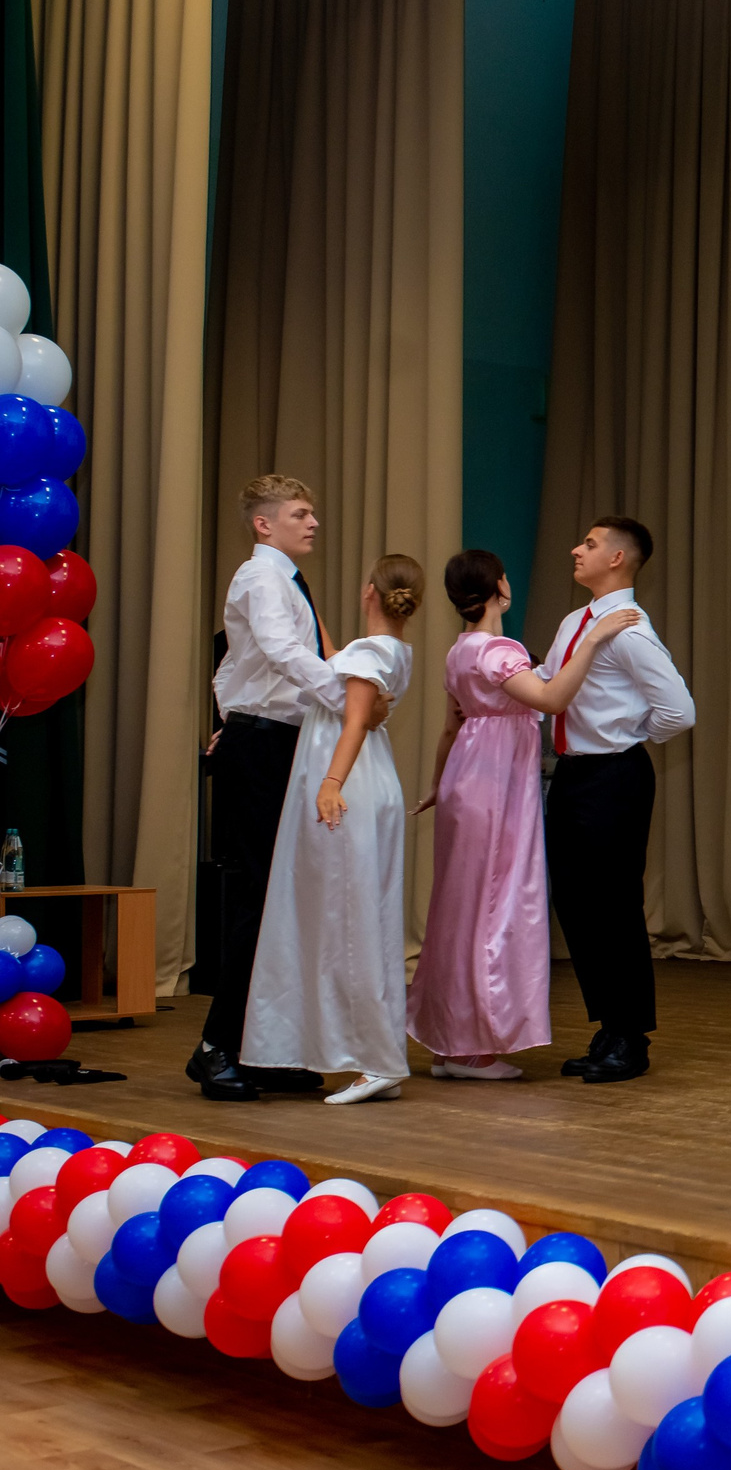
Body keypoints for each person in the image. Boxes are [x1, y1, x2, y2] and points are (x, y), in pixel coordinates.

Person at [408, 551, 640, 1080]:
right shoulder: (497, 650)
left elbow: (449, 730)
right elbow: (554, 698)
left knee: (463, 909)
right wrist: (595, 638)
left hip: (469, 776)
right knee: (496, 908)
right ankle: (477, 1049)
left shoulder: (459, 650)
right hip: (495, 786)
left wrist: (439, 785)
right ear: (499, 588)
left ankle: (452, 1044)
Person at [240, 555, 421, 1105]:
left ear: (370, 591)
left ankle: (377, 1061)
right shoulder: (391, 650)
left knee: (351, 922)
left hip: (350, 785)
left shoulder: (371, 654)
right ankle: (368, 1056)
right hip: (370, 783)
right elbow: (331, 657)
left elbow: (355, 719)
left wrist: (330, 782)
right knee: (355, 916)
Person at [195, 474, 349, 1103]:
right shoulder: (261, 579)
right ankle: (216, 1048)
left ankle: (262, 1048)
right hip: (259, 746)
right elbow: (283, 652)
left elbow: (239, 666)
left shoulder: (286, 581)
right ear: (264, 523)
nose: (313, 523)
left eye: (313, 512)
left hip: (280, 741)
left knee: (283, 905)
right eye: (300, 513)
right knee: (256, 903)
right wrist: (348, 698)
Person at [541, 517, 698, 1085]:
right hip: (575, 776)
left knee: (612, 905)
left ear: (618, 559)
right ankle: (608, 1026)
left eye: (588, 543)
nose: (576, 549)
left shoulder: (627, 628)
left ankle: (630, 1037)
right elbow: (545, 683)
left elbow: (679, 710)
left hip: (613, 776)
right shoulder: (573, 623)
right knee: (578, 904)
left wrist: (628, 735)